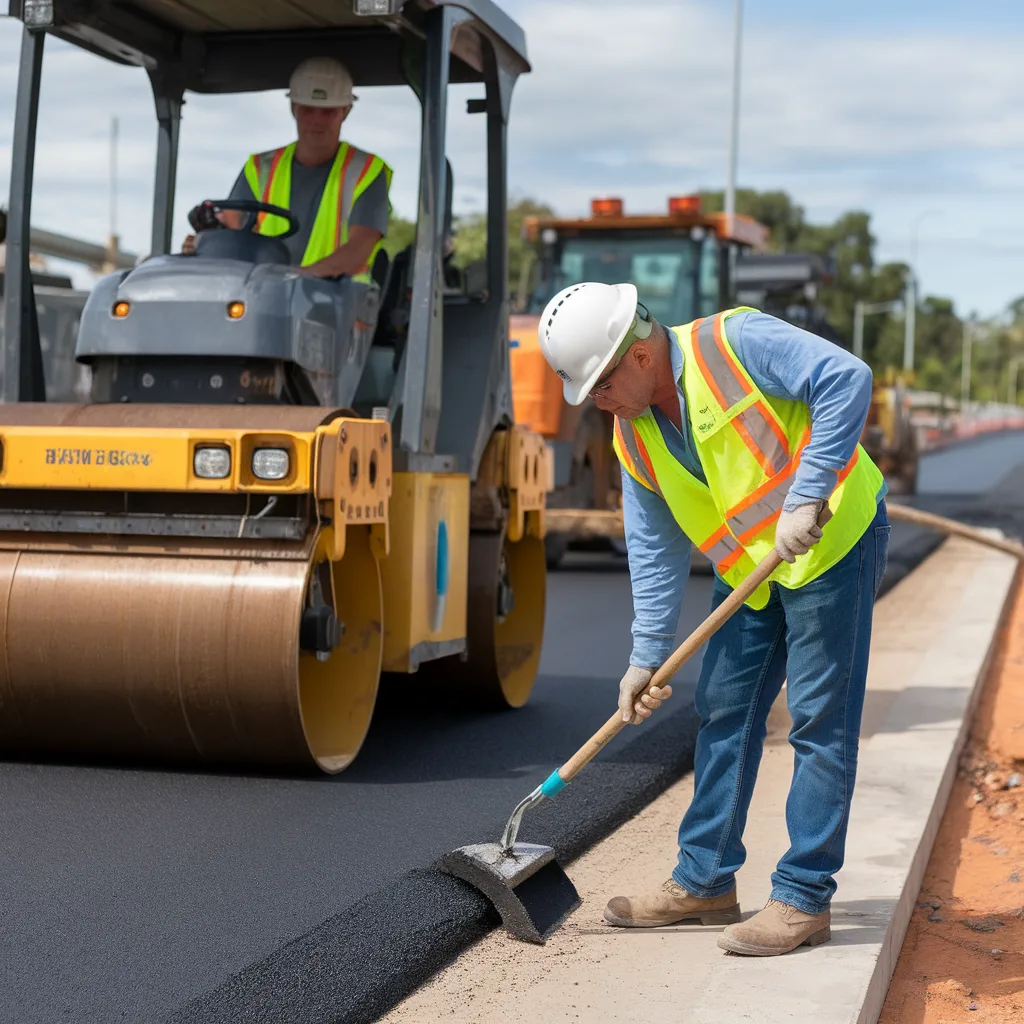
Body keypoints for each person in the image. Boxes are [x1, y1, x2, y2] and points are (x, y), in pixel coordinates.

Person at [537, 282, 890, 957]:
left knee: (818, 720)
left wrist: (809, 490)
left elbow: (847, 379)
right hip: (751, 572)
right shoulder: (633, 432)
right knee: (724, 709)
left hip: (830, 543)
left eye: (601, 385)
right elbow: (653, 544)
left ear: (639, 355)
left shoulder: (734, 344)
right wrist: (646, 657)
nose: (596, 403)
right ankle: (704, 882)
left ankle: (804, 896)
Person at [183, 57, 391, 281]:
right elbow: (231, 228)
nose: (317, 120)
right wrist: (205, 243)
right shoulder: (259, 168)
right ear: (294, 109)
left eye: (328, 111)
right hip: (264, 299)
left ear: (345, 112)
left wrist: (298, 278)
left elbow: (359, 249)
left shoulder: (366, 171)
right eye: (308, 110)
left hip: (339, 304)